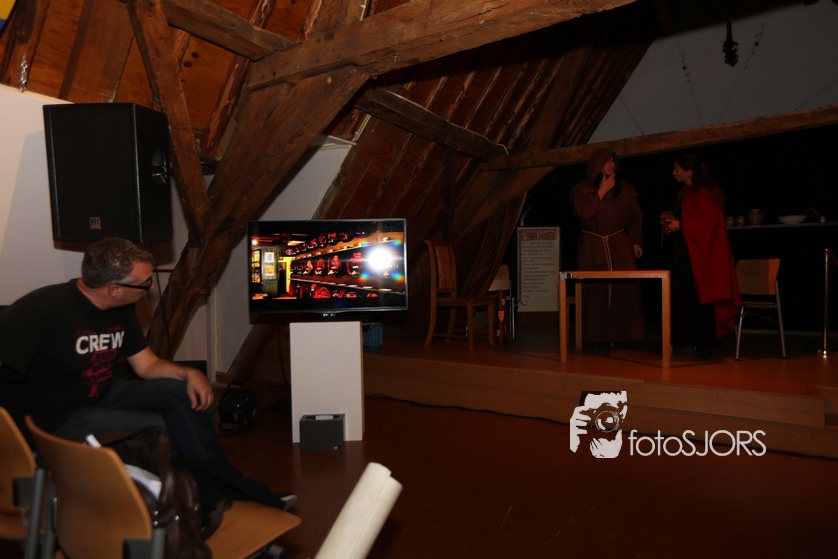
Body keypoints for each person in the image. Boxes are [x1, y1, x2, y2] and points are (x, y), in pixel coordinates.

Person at [0, 237, 296, 509]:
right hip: (55, 418)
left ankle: (218, 487)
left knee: (182, 395)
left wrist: (187, 374)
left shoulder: (120, 309)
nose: (152, 288)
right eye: (144, 284)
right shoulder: (39, 310)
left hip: (99, 393)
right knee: (159, 427)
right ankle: (198, 496)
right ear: (114, 289)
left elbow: (147, 365)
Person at [662, 153, 741, 361]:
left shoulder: (704, 192)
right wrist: (673, 223)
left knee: (701, 297)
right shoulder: (687, 192)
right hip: (686, 251)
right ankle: (688, 340)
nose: (674, 173)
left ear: (689, 171)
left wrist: (681, 225)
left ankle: (707, 343)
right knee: (684, 295)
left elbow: (709, 223)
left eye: (677, 169)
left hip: (702, 255)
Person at [569, 148, 645, 347]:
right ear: (596, 165)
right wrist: (601, 192)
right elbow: (584, 212)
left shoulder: (625, 188)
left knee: (626, 289)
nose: (611, 164)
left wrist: (636, 240)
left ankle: (626, 335)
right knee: (595, 291)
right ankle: (596, 336)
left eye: (613, 161)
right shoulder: (581, 189)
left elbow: (636, 214)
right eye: (606, 161)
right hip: (592, 244)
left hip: (619, 243)